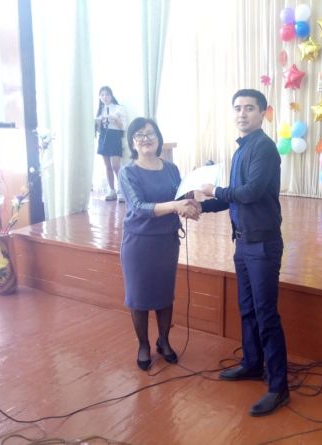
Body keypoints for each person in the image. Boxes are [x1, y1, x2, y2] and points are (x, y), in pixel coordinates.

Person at [200, 89, 289, 417]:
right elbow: (234, 197)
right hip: (243, 243)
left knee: (266, 315)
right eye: (237, 108)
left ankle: (279, 388)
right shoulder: (242, 149)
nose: (242, 113)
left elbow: (250, 193)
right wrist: (201, 206)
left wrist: (214, 189)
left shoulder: (263, 147)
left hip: (263, 245)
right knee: (248, 309)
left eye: (249, 108)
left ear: (263, 113)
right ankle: (252, 363)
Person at [119, 117, 201, 371]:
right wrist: (175, 205)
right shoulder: (128, 172)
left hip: (167, 241)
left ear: (158, 138)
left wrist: (190, 199)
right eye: (139, 135)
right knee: (139, 297)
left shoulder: (171, 169)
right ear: (132, 142)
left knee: (165, 295)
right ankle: (143, 345)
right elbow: (139, 207)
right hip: (139, 243)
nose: (145, 139)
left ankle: (163, 340)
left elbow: (179, 196)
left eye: (150, 133)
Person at [95, 86, 127, 202]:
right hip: (103, 136)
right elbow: (97, 129)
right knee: (107, 166)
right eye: (102, 95)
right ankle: (111, 190)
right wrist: (98, 123)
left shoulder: (118, 108)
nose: (105, 97)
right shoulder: (100, 110)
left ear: (111, 96)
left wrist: (115, 119)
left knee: (115, 166)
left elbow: (124, 126)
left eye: (107, 94)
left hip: (114, 136)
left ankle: (122, 191)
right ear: (100, 97)